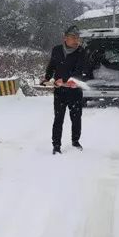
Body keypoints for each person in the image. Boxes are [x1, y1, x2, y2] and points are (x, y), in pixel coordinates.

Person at [40, 25, 86, 154]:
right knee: (58, 119)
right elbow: (52, 65)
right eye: (73, 37)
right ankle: (56, 146)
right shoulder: (57, 50)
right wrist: (47, 78)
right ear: (65, 38)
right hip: (60, 92)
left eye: (78, 38)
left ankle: (75, 142)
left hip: (74, 91)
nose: (76, 40)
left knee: (76, 118)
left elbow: (78, 71)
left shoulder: (81, 52)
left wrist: (64, 80)